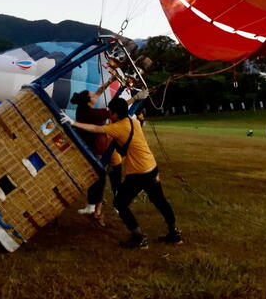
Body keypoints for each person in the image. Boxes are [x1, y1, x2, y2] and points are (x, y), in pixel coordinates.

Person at [63, 93, 181, 249]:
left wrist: (73, 123)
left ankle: (139, 237)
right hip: (151, 166)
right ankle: (174, 233)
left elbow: (96, 128)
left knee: (120, 203)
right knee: (160, 201)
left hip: (138, 173)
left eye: (111, 112)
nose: (109, 114)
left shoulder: (117, 128)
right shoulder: (134, 122)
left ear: (116, 114)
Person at [70, 77, 121, 224]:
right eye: (92, 96)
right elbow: (117, 109)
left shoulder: (83, 107)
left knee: (109, 170)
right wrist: (135, 99)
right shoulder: (93, 114)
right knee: (99, 176)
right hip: (95, 148)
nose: (96, 96)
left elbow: (98, 92)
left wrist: (110, 81)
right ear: (88, 100)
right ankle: (96, 207)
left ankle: (100, 205)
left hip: (102, 145)